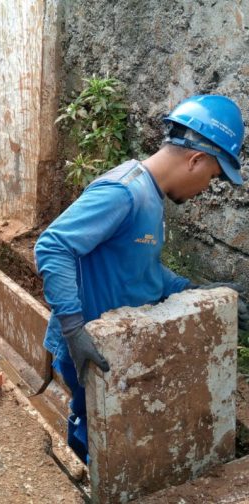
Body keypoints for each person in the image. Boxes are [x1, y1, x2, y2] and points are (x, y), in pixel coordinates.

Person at [34, 94, 249, 464]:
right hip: (90, 347)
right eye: (213, 178)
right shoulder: (124, 192)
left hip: (117, 341)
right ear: (196, 160)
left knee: (120, 429)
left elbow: (140, 268)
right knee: (97, 431)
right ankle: (87, 474)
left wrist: (194, 290)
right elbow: (53, 246)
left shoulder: (150, 195)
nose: (205, 189)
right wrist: (73, 330)